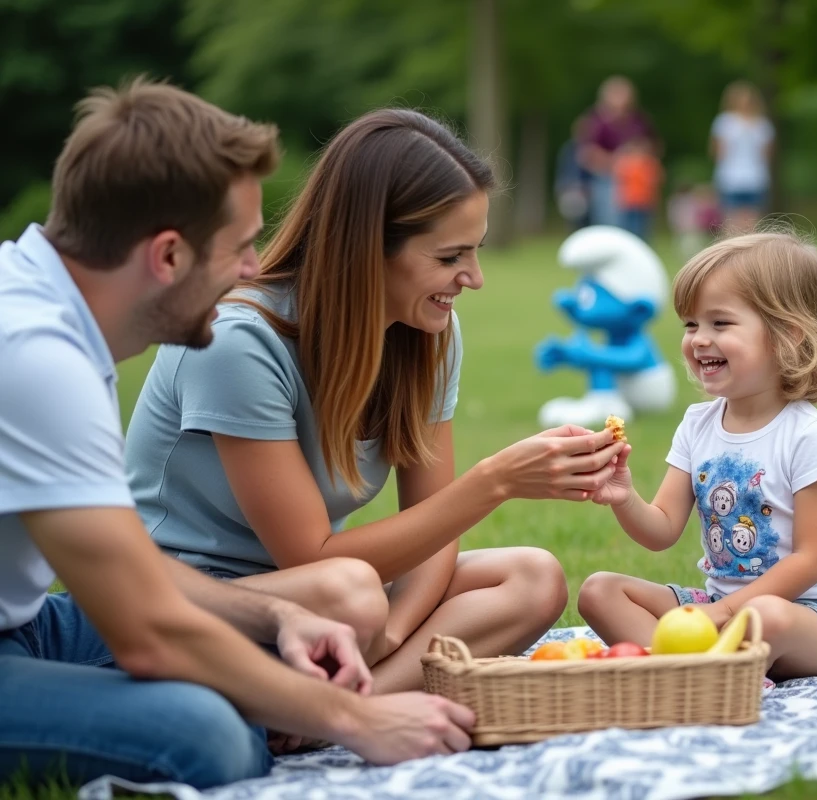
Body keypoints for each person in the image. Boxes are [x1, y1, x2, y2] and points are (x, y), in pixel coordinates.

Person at [0, 78, 480, 790]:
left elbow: (136, 575)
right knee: (208, 738)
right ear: (168, 255)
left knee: (243, 689)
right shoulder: (36, 358)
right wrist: (356, 719)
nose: (257, 270)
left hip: (31, 628)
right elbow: (148, 628)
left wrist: (277, 616)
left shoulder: (53, 324)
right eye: (242, 247)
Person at [123, 107, 625, 696]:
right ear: (366, 248)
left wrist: (393, 633)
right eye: (449, 257)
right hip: (188, 597)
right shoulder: (238, 341)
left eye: (475, 250)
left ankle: (353, 699)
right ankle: (321, 694)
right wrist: (495, 480)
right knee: (352, 595)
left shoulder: (428, 334)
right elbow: (310, 556)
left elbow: (432, 535)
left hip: (328, 602)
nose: (475, 277)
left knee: (533, 576)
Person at [578, 232, 817, 681]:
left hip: (814, 617)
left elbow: (810, 560)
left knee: (764, 617)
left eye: (720, 323)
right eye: (691, 325)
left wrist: (727, 615)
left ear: (785, 335)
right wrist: (624, 497)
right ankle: (692, 675)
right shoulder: (698, 424)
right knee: (599, 591)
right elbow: (661, 531)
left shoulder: (807, 434)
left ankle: (687, 669)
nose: (699, 340)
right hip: (721, 606)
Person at [576, 76, 658, 228]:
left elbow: (654, 145)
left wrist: (637, 153)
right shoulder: (597, 122)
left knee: (638, 225)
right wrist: (616, 161)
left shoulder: (638, 120)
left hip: (637, 181)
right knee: (611, 224)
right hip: (609, 180)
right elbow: (586, 153)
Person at [709, 81, 774, 234]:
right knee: (730, 220)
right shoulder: (725, 122)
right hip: (731, 177)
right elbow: (718, 152)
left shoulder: (762, 125)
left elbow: (766, 154)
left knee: (751, 220)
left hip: (755, 177)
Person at [612, 135, 663, 242]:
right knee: (629, 228)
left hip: (643, 202)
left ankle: (639, 243)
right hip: (629, 202)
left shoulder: (649, 163)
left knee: (641, 229)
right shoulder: (626, 162)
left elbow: (655, 179)